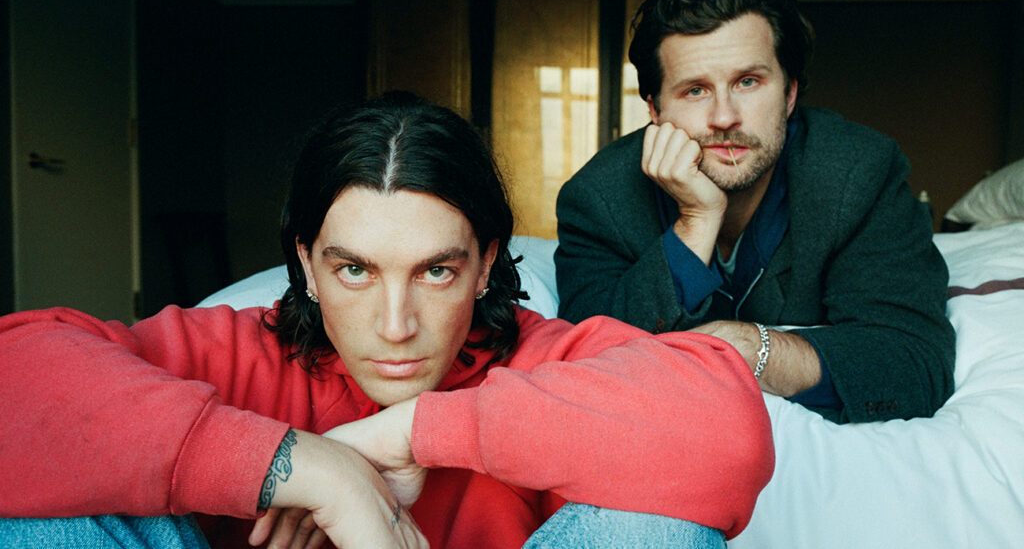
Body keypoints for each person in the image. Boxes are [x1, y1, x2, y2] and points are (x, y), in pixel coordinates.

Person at [0, 92, 773, 548]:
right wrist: (308, 469)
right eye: (355, 270)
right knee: (42, 507)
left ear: (484, 264)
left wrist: (407, 434)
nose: (395, 324)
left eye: (436, 270)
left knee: (658, 527)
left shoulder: (545, 362)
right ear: (307, 264)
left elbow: (729, 428)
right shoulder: (232, 351)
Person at [554, 0, 956, 424]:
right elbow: (590, 365)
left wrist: (751, 350)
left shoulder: (860, 173)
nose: (724, 117)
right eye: (695, 90)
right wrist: (696, 219)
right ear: (655, 109)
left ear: (790, 93)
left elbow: (914, 361)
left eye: (747, 82)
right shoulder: (598, 199)